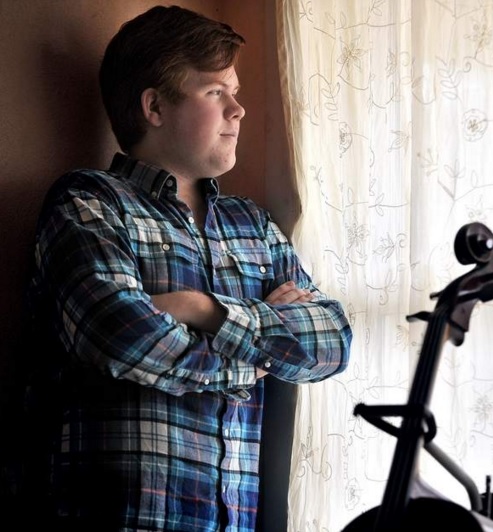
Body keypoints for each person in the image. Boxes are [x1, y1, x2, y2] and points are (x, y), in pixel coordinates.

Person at [22, 4, 352, 531]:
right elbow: (120, 336)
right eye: (216, 92)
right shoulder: (89, 203)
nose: (239, 110)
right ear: (154, 106)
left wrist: (206, 311)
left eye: (235, 92)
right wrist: (257, 357)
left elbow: (333, 341)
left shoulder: (254, 227)